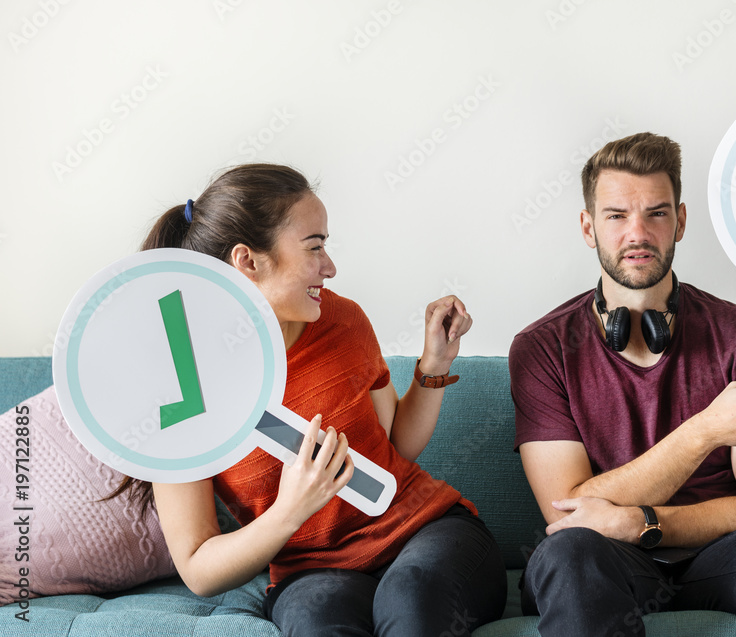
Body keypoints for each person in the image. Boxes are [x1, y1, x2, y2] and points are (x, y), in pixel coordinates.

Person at [117, 164, 506, 637]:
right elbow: (199, 569)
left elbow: (395, 446)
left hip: (427, 533)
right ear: (249, 261)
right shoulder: (183, 390)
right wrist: (292, 508)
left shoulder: (342, 320)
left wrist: (434, 366)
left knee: (411, 600)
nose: (331, 266)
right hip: (311, 574)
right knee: (319, 624)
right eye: (315, 247)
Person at [508, 133, 736, 636]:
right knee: (569, 552)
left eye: (657, 214)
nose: (637, 233)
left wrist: (638, 521)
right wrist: (705, 431)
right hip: (603, 563)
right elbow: (571, 510)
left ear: (681, 221)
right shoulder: (542, 348)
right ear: (588, 227)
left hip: (721, 559)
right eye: (617, 216)